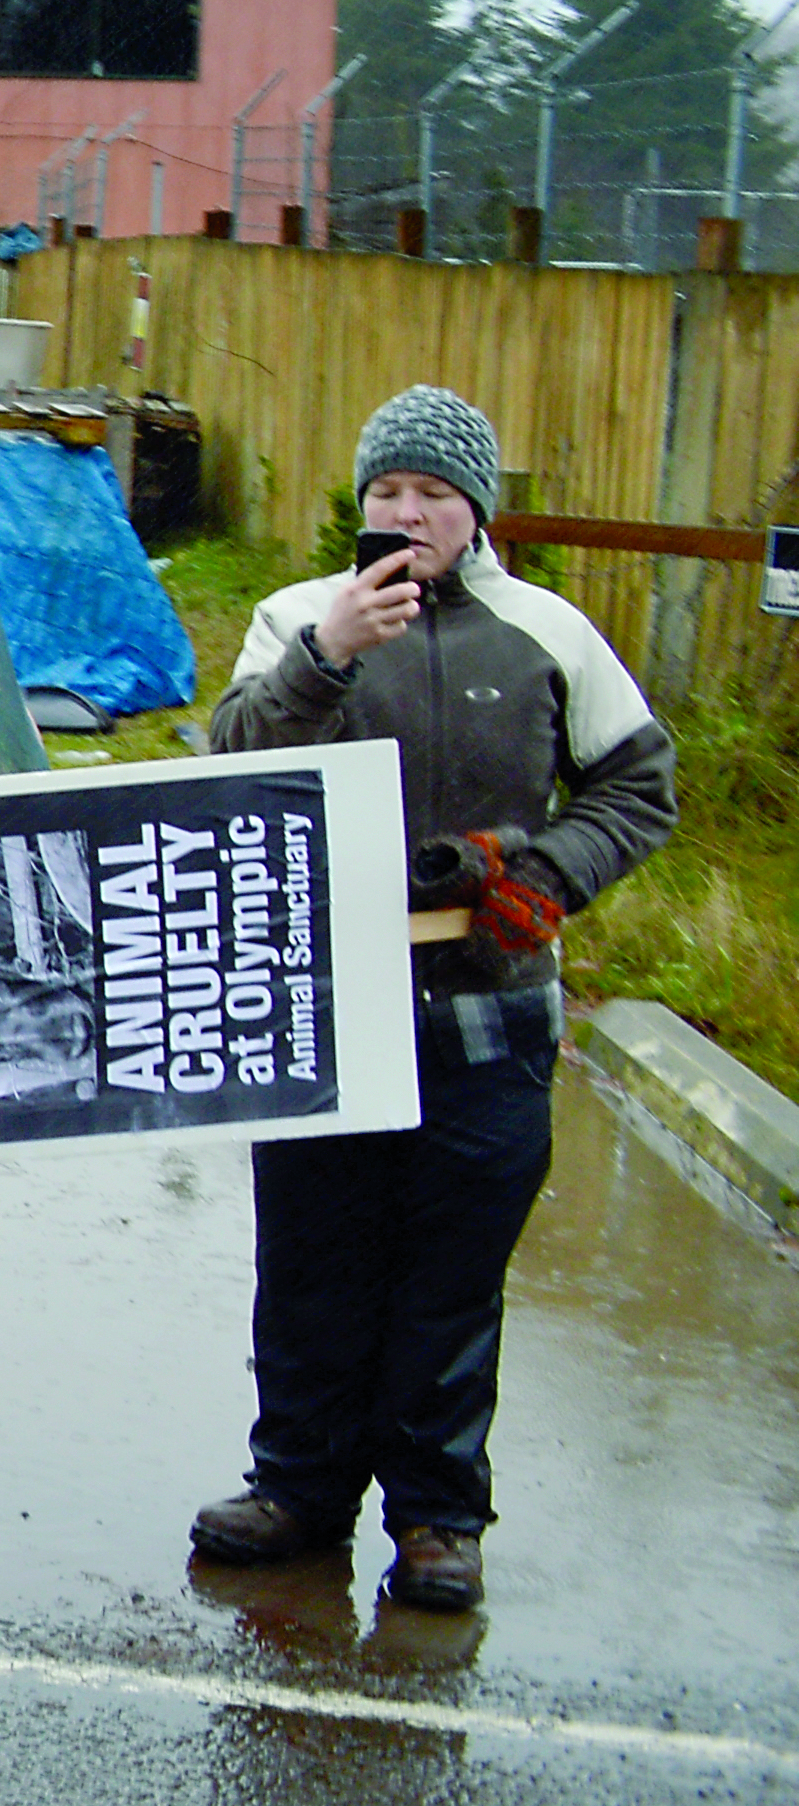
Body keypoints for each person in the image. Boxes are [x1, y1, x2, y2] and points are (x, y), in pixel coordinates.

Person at [187, 385, 674, 1613]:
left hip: (489, 1009)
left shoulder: (550, 631)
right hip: (319, 1003)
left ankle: (439, 1520)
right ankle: (296, 1490)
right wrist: (328, 654)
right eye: (388, 493)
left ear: (477, 512)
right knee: (311, 1262)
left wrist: (550, 876)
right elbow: (227, 762)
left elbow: (639, 783)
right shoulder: (298, 616)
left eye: (435, 496)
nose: (409, 515)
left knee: (451, 1274)